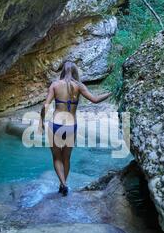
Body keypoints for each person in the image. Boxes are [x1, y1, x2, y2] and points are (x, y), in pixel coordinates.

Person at [38, 61, 111, 196]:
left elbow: (45, 105)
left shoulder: (55, 85)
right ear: (75, 72)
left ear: (62, 71)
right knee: (66, 158)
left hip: (55, 124)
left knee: (56, 157)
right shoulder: (79, 86)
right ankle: (64, 184)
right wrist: (109, 93)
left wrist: (41, 121)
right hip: (71, 125)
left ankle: (63, 184)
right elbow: (95, 100)